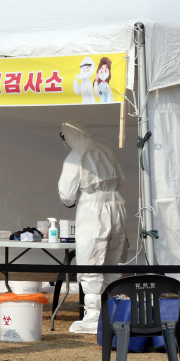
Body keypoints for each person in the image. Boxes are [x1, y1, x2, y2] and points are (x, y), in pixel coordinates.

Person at [58, 120, 127, 334]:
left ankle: (93, 316)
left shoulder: (75, 155)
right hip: (117, 204)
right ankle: (112, 311)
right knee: (111, 261)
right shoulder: (106, 148)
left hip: (93, 207)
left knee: (91, 260)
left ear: (68, 137)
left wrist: (72, 201)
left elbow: (67, 195)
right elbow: (120, 177)